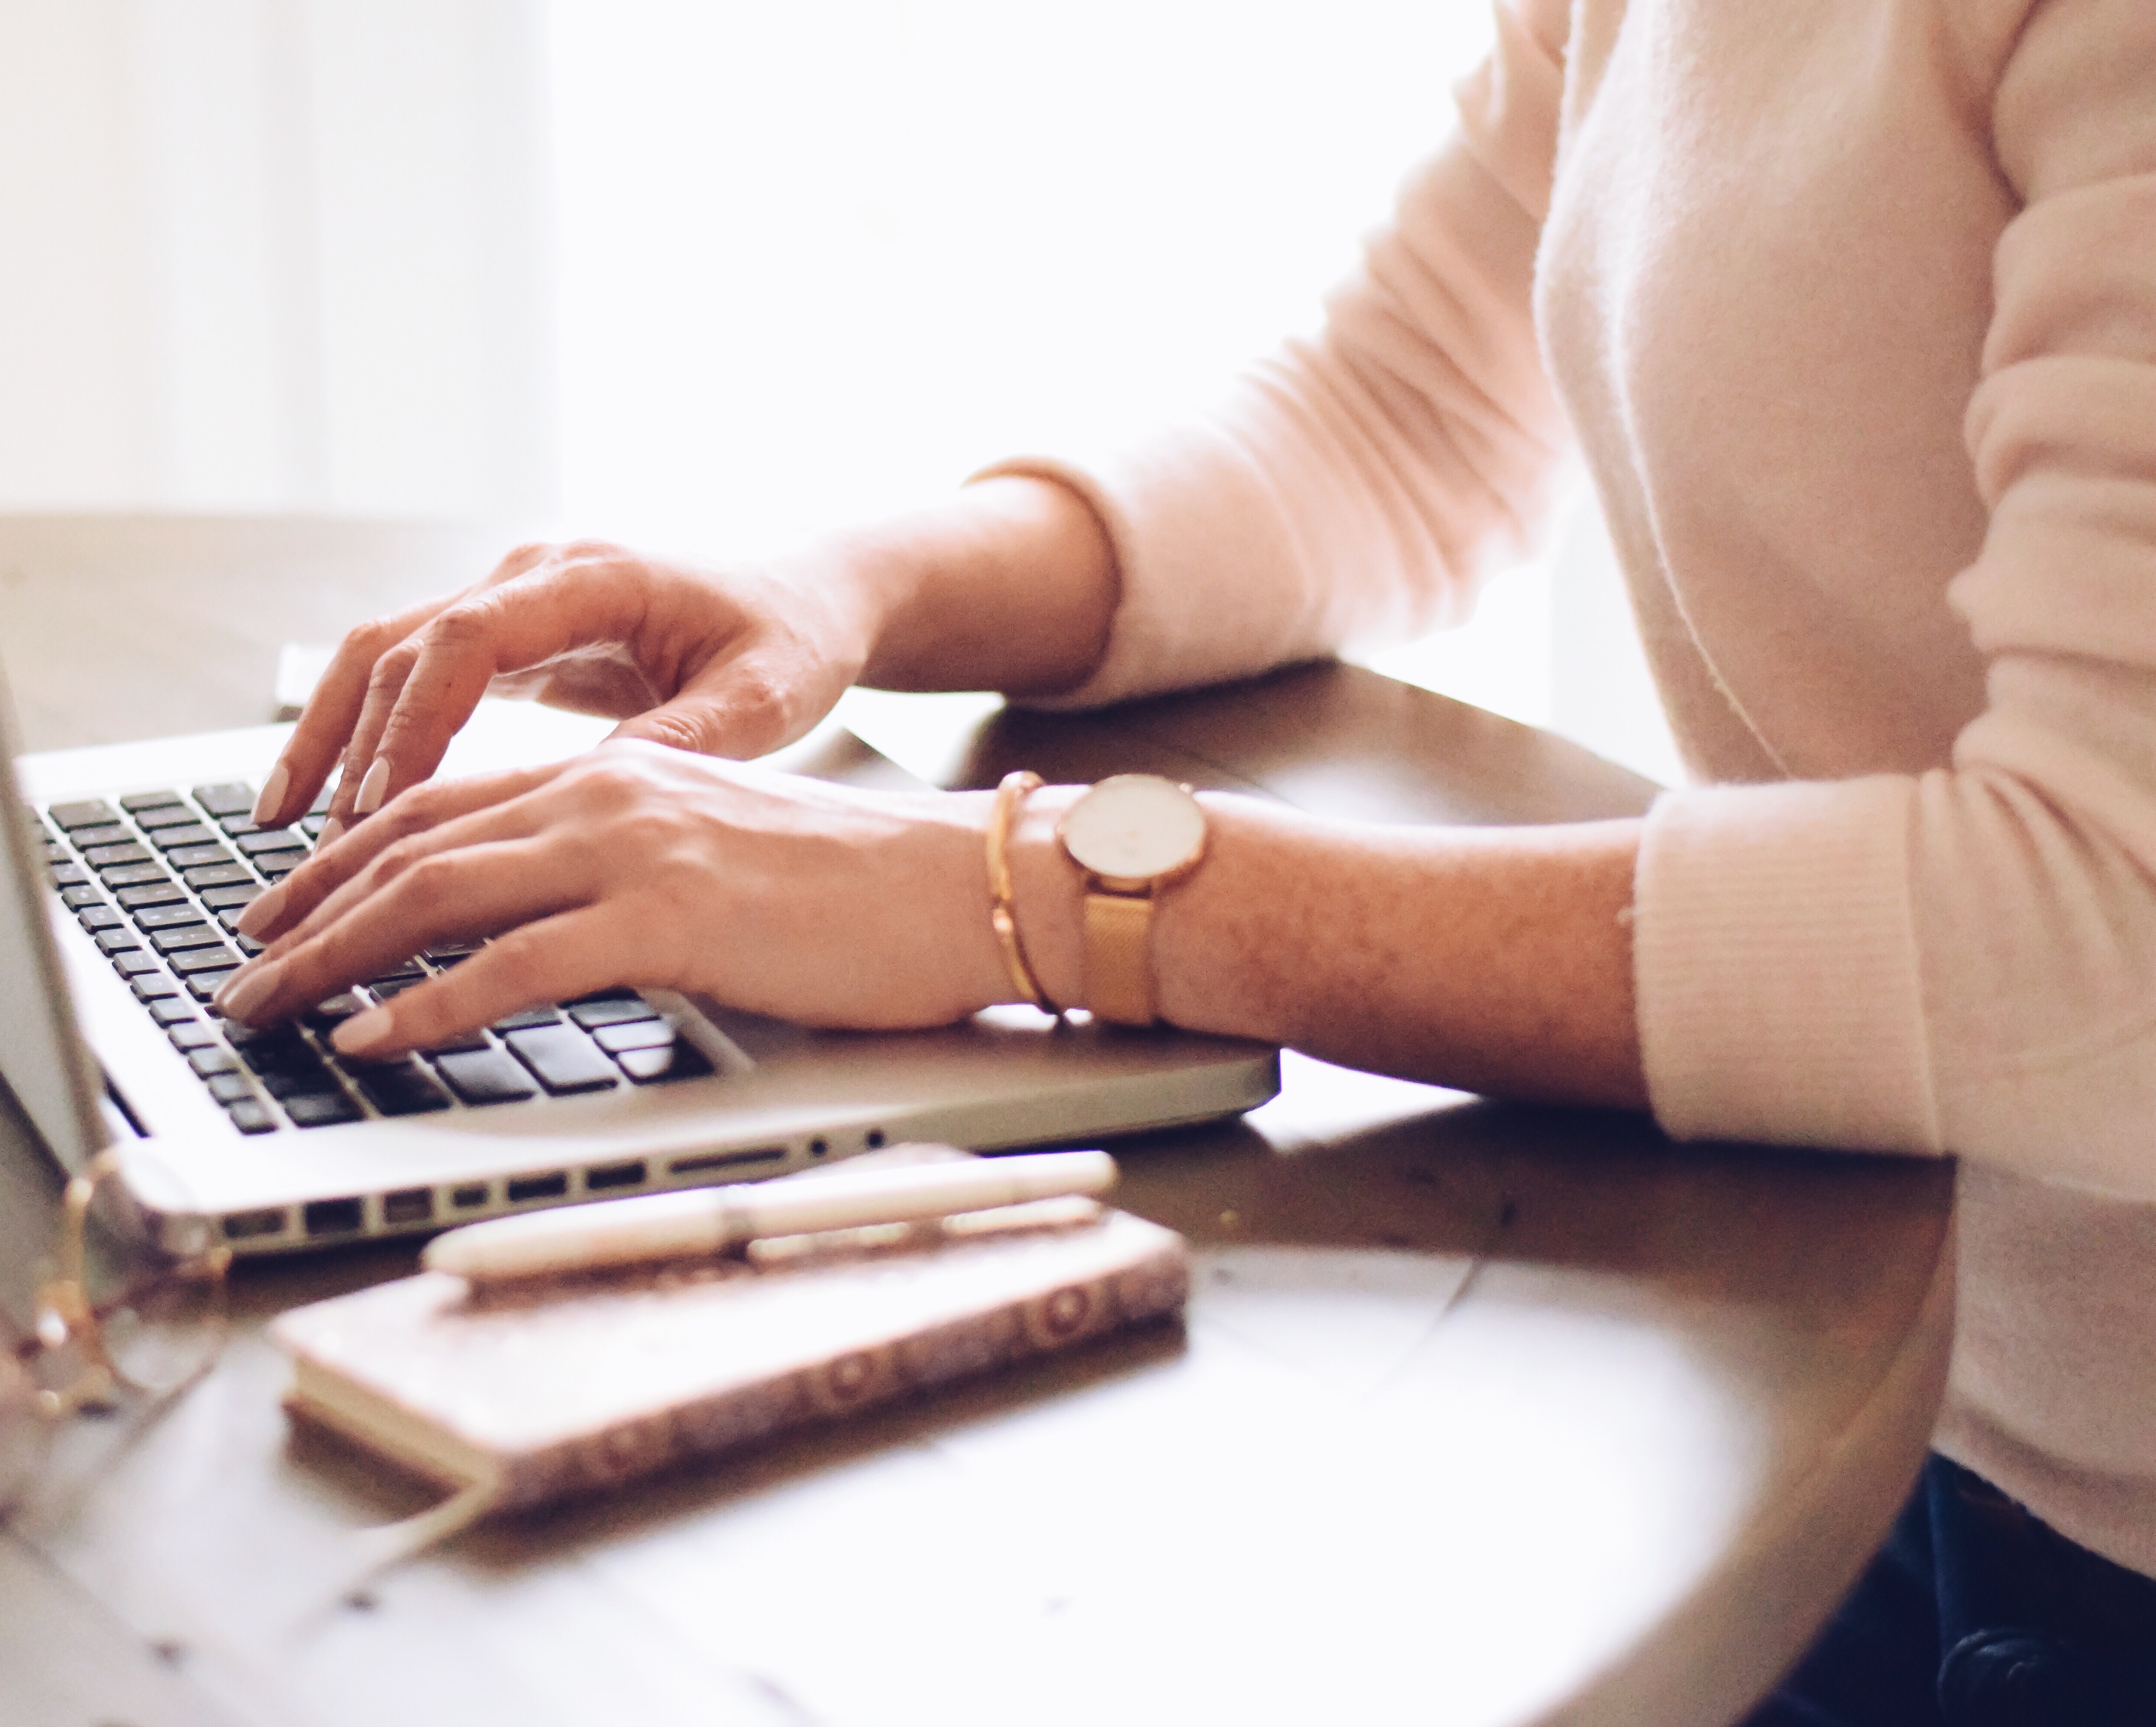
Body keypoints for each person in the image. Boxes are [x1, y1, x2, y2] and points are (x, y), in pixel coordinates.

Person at [210, 0, 2156, 1718]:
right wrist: (842, 584)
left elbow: (2105, 945)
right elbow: (1396, 419)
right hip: (1885, 1380)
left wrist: (1035, 888)